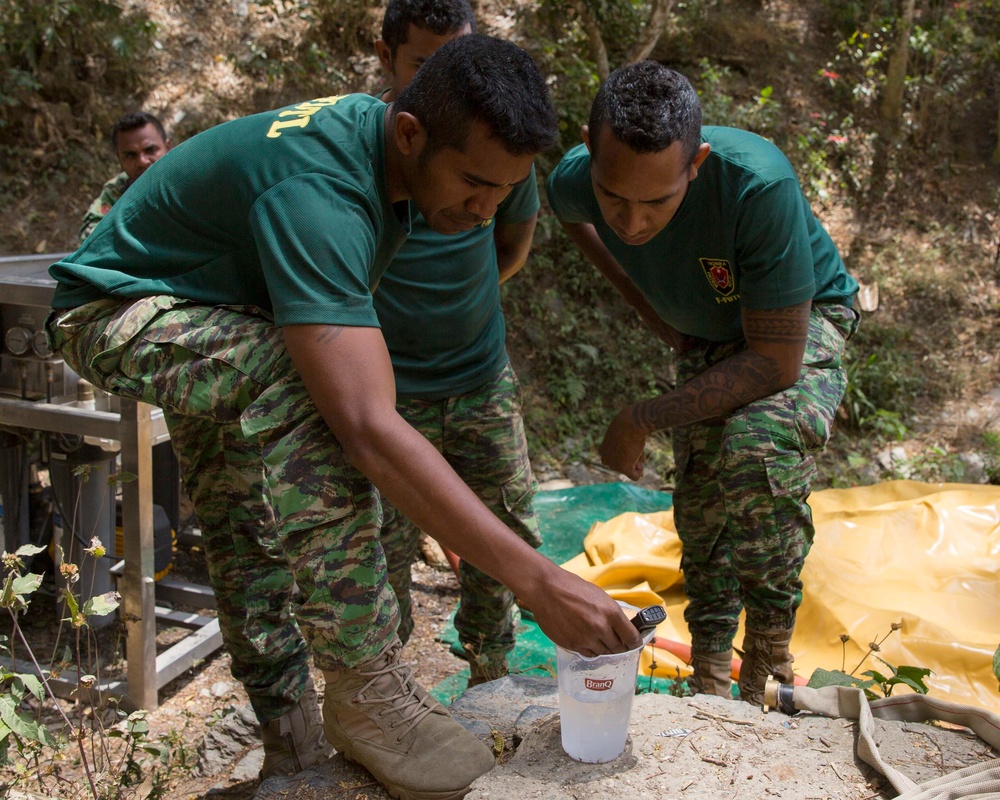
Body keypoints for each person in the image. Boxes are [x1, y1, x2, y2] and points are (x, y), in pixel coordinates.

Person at [47, 35, 641, 800]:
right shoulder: (324, 191)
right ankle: (364, 686)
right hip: (117, 309)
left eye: (503, 192)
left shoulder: (382, 148)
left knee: (236, 517)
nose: (484, 210)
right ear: (411, 135)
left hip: (216, 304)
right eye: (472, 184)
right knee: (305, 397)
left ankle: (292, 751)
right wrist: (540, 580)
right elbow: (366, 425)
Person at [545, 61, 859, 706]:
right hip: (710, 333)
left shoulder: (755, 183)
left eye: (656, 201)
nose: (631, 223)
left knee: (755, 446)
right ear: (589, 149)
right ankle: (712, 671)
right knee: (703, 492)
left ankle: (770, 651)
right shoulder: (578, 179)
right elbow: (570, 211)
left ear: (697, 162)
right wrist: (640, 301)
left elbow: (777, 362)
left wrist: (639, 418)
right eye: (615, 199)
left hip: (799, 319)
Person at [373, 0, 543, 688]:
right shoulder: (373, 154)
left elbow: (510, 247)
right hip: (385, 396)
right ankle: (388, 690)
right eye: (428, 63)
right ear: (388, 58)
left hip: (479, 379)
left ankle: (491, 675)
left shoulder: (501, 144)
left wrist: (457, 312)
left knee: (503, 533)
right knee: (376, 551)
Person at [79, 111, 172, 242]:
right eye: (130, 155)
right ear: (119, 159)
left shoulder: (189, 177)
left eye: (150, 150)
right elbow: (90, 234)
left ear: (168, 147)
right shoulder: (116, 190)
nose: (142, 161)